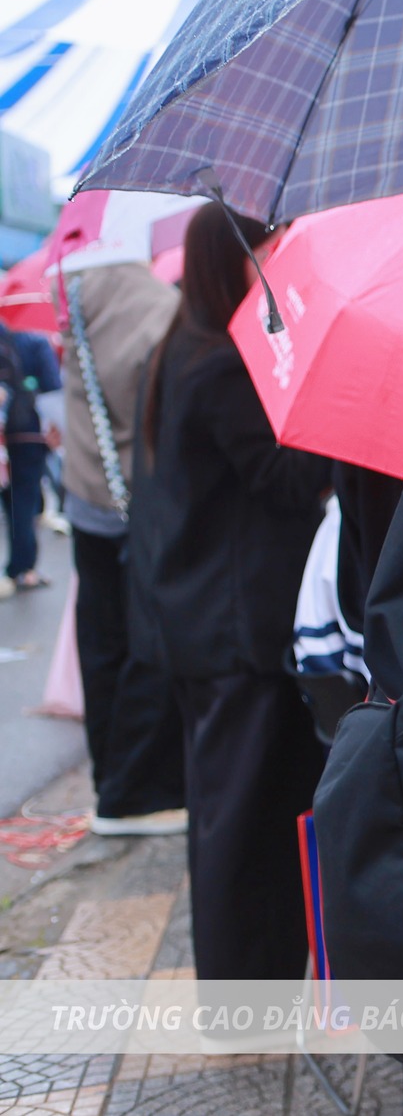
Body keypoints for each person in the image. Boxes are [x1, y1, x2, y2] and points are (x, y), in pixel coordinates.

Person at [128, 202, 333, 984]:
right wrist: (327, 411)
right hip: (232, 632)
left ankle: (252, 975)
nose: (272, 269)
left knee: (233, 812)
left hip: (204, 625)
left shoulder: (182, 349)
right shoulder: (218, 364)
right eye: (265, 254)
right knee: (239, 819)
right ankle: (244, 986)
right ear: (231, 262)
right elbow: (284, 482)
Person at [59, 260, 187, 836]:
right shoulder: (149, 309)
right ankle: (133, 792)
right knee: (149, 647)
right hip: (140, 506)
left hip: (87, 500)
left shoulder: (80, 311)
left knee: (102, 646)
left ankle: (108, 781)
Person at [0, 318, 62, 591]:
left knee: (9, 502)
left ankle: (16, 568)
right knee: (23, 503)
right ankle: (23, 569)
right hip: (27, 435)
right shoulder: (33, 342)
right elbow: (52, 388)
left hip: (3, 437)